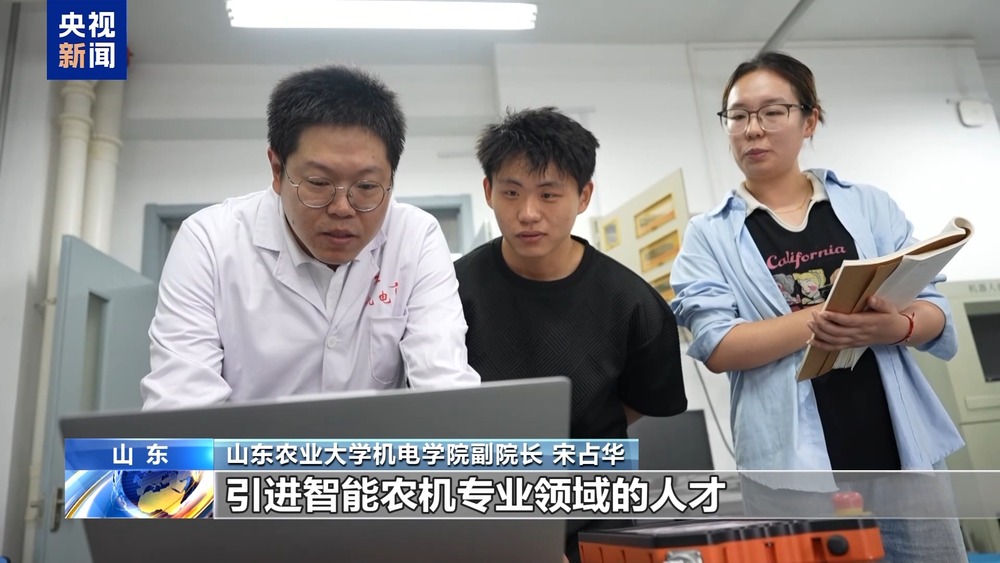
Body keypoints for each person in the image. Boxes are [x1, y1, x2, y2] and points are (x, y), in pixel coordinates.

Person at [669, 51, 967, 562]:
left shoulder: (867, 205)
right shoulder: (709, 234)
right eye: (738, 116)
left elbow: (934, 310)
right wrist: (824, 317)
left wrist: (892, 327)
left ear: (809, 121)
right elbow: (718, 345)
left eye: (772, 112)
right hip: (790, 468)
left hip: (898, 450)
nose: (752, 129)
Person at [141, 65, 480, 410]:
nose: (342, 208)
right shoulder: (210, 243)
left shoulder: (415, 238)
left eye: (366, 186)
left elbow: (445, 386)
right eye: (318, 183)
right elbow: (181, 408)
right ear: (277, 170)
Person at [455, 107, 688, 563]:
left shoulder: (633, 303)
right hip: (483, 507)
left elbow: (640, 401)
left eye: (548, 194)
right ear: (488, 192)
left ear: (583, 196)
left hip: (598, 516)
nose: (528, 213)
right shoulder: (451, 292)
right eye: (511, 193)